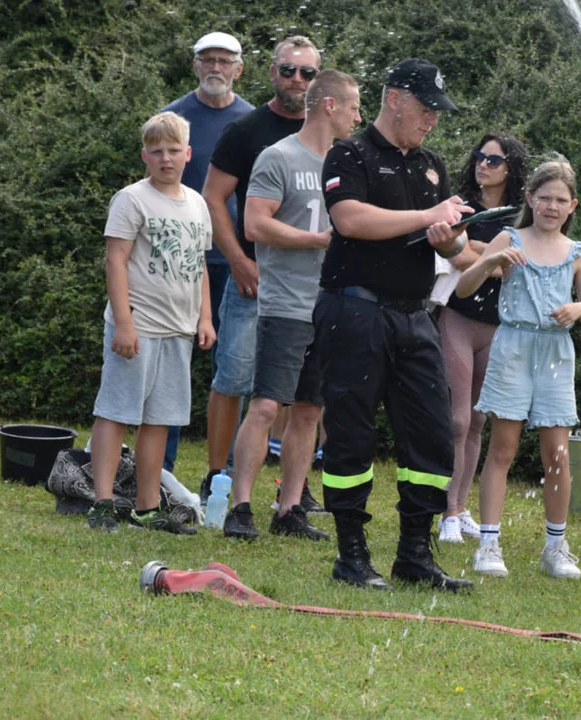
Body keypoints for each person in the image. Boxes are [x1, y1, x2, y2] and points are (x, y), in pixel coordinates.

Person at [314, 58, 477, 592]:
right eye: (426, 108)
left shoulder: (431, 165)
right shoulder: (350, 152)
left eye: (437, 111)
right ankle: (351, 555)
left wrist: (449, 237)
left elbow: (457, 249)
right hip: (355, 311)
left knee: (433, 432)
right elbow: (351, 220)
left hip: (415, 314)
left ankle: (415, 553)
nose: (432, 120)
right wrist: (426, 218)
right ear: (394, 98)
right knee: (352, 431)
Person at [221, 70, 362, 542]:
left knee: (308, 411)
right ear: (328, 106)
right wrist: (318, 239)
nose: (358, 117)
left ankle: (289, 509)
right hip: (284, 304)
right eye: (353, 107)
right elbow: (256, 225)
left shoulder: (349, 163)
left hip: (330, 306)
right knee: (264, 405)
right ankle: (239, 507)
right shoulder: (277, 157)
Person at [458, 156, 581, 580]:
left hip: (556, 354)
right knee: (502, 448)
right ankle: (488, 544)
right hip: (513, 348)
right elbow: (465, 288)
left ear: (572, 205)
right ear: (530, 199)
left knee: (557, 454)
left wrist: (577, 309)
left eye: (560, 200)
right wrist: (486, 263)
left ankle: (556, 547)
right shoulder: (509, 238)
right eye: (544, 199)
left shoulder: (578, 253)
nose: (552, 207)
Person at [200, 36, 324, 513]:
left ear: (318, 81)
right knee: (233, 378)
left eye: (307, 73)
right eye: (288, 70)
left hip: (310, 286)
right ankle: (217, 477)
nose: (297, 80)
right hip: (253, 277)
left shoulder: (329, 138)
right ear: (270, 73)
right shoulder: (246, 129)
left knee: (301, 390)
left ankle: (294, 489)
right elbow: (213, 197)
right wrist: (238, 259)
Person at [85, 111, 215, 534]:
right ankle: (102, 503)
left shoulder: (197, 203)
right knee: (116, 412)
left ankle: (146, 507)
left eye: (174, 151)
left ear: (188, 154)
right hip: (137, 328)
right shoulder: (131, 199)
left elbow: (200, 266)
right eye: (156, 152)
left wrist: (205, 317)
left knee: (160, 419)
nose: (165, 159)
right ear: (144, 156)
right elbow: (116, 259)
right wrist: (123, 322)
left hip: (178, 329)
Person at [160, 31, 254, 473]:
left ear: (239, 68)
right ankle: (161, 466)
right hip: (181, 259)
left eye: (224, 60)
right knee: (172, 362)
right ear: (195, 65)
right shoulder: (172, 118)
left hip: (237, 259)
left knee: (235, 368)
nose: (216, 67)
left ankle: (228, 473)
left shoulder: (253, 122)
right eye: (207, 60)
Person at [436, 132, 528, 544]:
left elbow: (519, 267)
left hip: (499, 325)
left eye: (494, 160)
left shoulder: (522, 216)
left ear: (511, 168)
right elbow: (454, 255)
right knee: (455, 420)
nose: (483, 165)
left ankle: (461, 506)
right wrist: (490, 254)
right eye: (479, 157)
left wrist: (478, 251)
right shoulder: (460, 206)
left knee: (477, 420)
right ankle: (445, 513)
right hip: (458, 317)